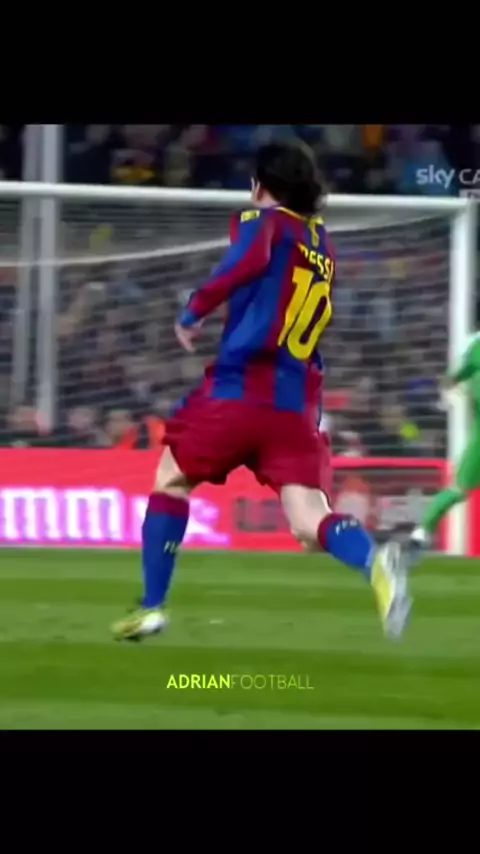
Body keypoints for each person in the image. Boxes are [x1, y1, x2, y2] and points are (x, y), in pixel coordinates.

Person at [112, 140, 411, 642]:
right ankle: (373, 562)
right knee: (309, 521)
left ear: (261, 186)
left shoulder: (266, 224)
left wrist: (195, 309)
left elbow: (244, 261)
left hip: (241, 388)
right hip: (294, 405)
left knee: (170, 479)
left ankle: (151, 606)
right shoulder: (323, 246)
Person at [409, 332, 480, 556]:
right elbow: (455, 376)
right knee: (458, 489)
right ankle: (422, 532)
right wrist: (448, 390)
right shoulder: (476, 345)